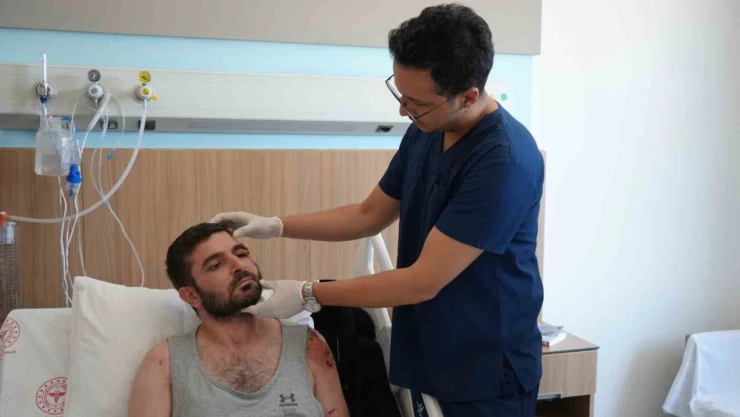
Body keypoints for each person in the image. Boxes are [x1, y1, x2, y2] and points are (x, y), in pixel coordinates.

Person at [210, 3, 545, 416]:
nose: (403, 110)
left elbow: (422, 281)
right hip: (428, 346)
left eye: (416, 102)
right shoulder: (428, 129)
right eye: (399, 93)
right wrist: (277, 225)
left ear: (468, 96)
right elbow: (368, 214)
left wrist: (307, 294)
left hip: (484, 366)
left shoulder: (503, 161)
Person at [127, 222, 349, 417]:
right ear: (192, 296)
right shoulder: (164, 363)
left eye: (241, 254)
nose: (239, 266)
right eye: (216, 265)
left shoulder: (309, 344)